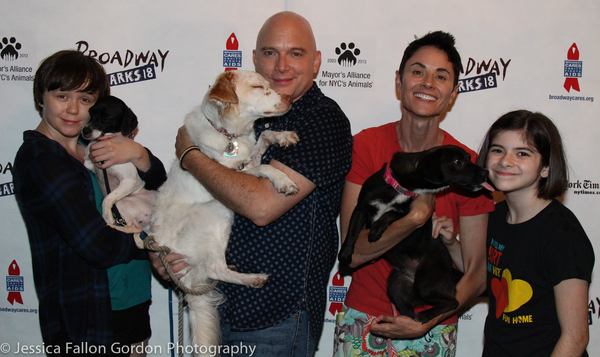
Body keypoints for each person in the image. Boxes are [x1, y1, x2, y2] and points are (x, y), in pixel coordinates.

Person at [175, 11, 353, 357]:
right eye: (270, 53)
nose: (281, 66)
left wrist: (191, 156)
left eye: (296, 53)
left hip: (275, 315)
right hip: (216, 301)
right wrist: (170, 250)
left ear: (316, 62)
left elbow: (260, 206)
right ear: (254, 60)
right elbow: (193, 197)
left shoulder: (322, 119)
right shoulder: (241, 115)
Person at [333, 31, 495, 357]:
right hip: (365, 318)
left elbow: (477, 272)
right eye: (418, 71)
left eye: (441, 76)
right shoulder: (365, 146)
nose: (428, 83)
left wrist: (426, 321)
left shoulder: (467, 167)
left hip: (432, 325)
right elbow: (353, 254)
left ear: (453, 93)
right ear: (399, 81)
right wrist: (416, 217)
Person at [13, 50, 168, 356]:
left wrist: (139, 154)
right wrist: (152, 245)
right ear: (40, 98)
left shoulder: (94, 143)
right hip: (86, 322)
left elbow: (158, 182)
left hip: (131, 307)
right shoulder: (41, 159)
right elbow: (96, 244)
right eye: (61, 96)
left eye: (85, 99)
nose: (73, 109)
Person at [478, 110, 593, 356]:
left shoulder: (562, 235)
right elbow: (482, 273)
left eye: (522, 153)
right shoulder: (494, 216)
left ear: (546, 168)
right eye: (498, 150)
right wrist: (449, 242)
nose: (505, 161)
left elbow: (575, 337)